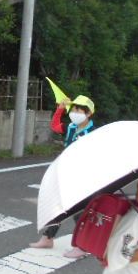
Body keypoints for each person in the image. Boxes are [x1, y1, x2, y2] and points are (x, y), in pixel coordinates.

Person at [30, 95, 96, 258]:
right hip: (66, 172)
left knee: (79, 211)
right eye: (73, 109)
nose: (74, 113)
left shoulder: (94, 132)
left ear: (88, 114)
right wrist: (60, 109)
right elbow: (55, 126)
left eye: (78, 110)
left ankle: (82, 246)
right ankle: (48, 237)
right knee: (58, 206)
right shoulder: (72, 127)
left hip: (84, 176)